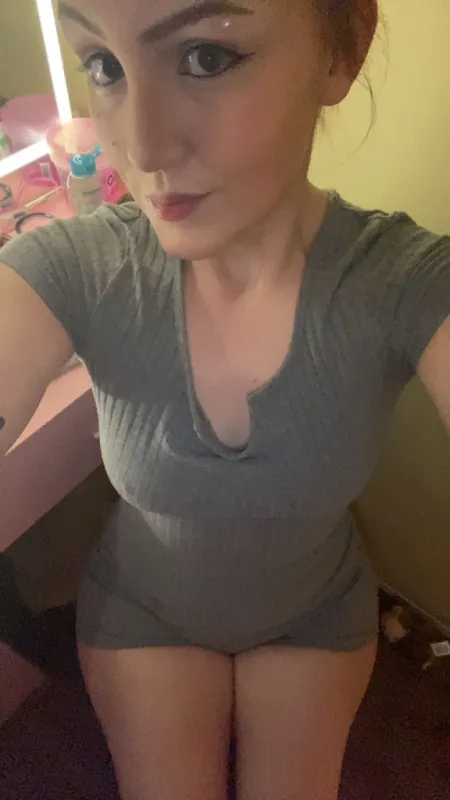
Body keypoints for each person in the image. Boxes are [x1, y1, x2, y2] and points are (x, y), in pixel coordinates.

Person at [1, 0, 449, 797]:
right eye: (104, 65)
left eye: (206, 57)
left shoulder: (402, 282)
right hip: (145, 614)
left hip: (313, 616)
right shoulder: (81, 266)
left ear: (341, 52)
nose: (141, 147)